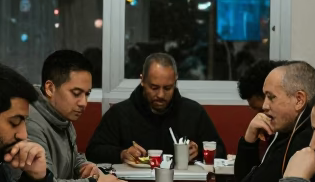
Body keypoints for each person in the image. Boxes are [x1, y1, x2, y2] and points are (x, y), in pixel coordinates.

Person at [26, 50, 128, 182]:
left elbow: (74, 157)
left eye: (87, 94)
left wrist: (84, 167)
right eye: (76, 93)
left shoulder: (61, 116)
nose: (83, 103)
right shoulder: (30, 125)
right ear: (50, 88)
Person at [86, 52, 227, 164]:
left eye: (167, 88)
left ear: (175, 82)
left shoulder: (193, 112)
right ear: (142, 80)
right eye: (154, 87)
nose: (160, 95)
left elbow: (221, 151)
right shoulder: (120, 113)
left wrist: (200, 151)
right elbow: (93, 151)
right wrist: (121, 154)